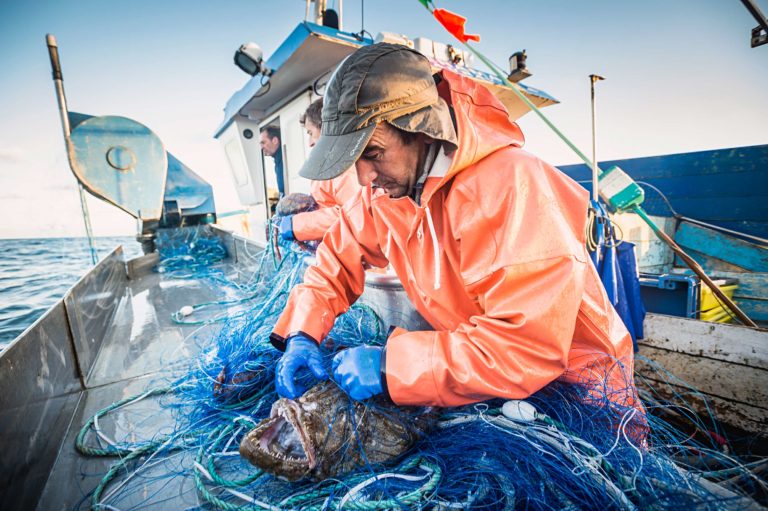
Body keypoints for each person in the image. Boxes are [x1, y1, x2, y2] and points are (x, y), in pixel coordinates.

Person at [270, 43, 637, 410]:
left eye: (374, 153)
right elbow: (335, 259)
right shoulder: (386, 194)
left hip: (579, 397)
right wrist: (302, 332)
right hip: (488, 384)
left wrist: (389, 366)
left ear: (422, 130)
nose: (364, 177)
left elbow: (525, 345)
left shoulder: (512, 185)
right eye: (354, 159)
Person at [277, 99, 362, 242]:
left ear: (326, 128)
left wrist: (295, 225)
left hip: (352, 257)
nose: (310, 142)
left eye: (310, 133)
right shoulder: (331, 163)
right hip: (333, 249)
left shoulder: (345, 166)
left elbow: (354, 216)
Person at [260, 126, 284, 196]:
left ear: (275, 141)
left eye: (263, 143)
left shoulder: (285, 159)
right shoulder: (277, 161)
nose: (261, 147)